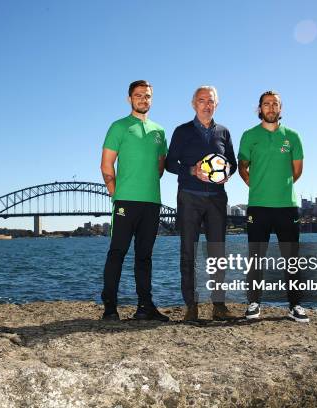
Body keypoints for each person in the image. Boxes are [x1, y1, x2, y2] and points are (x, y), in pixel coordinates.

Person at [166, 86, 237, 321]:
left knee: (218, 253)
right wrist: (192, 170)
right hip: (189, 198)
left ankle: (219, 305)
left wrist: (226, 173)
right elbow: (169, 163)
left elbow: (233, 164)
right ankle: (191, 307)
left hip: (217, 199)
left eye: (211, 101)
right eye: (202, 100)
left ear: (217, 104)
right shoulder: (182, 131)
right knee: (189, 253)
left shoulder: (224, 132)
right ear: (193, 104)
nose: (207, 104)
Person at [100, 80, 169, 322]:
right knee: (117, 253)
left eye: (147, 96)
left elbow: (159, 167)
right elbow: (107, 164)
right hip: (125, 202)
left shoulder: (159, 131)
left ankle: (144, 307)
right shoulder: (118, 127)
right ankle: (110, 308)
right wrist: (114, 193)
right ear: (130, 99)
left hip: (151, 202)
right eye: (138, 95)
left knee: (144, 256)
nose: (143, 99)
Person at [238, 90, 309, 322]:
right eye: (266, 104)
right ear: (259, 109)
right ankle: (254, 303)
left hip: (287, 206)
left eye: (275, 104)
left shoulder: (293, 136)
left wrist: (280, 187)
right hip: (258, 206)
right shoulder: (249, 136)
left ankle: (295, 305)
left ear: (281, 109)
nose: (270, 108)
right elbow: (242, 167)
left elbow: (296, 171)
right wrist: (257, 186)